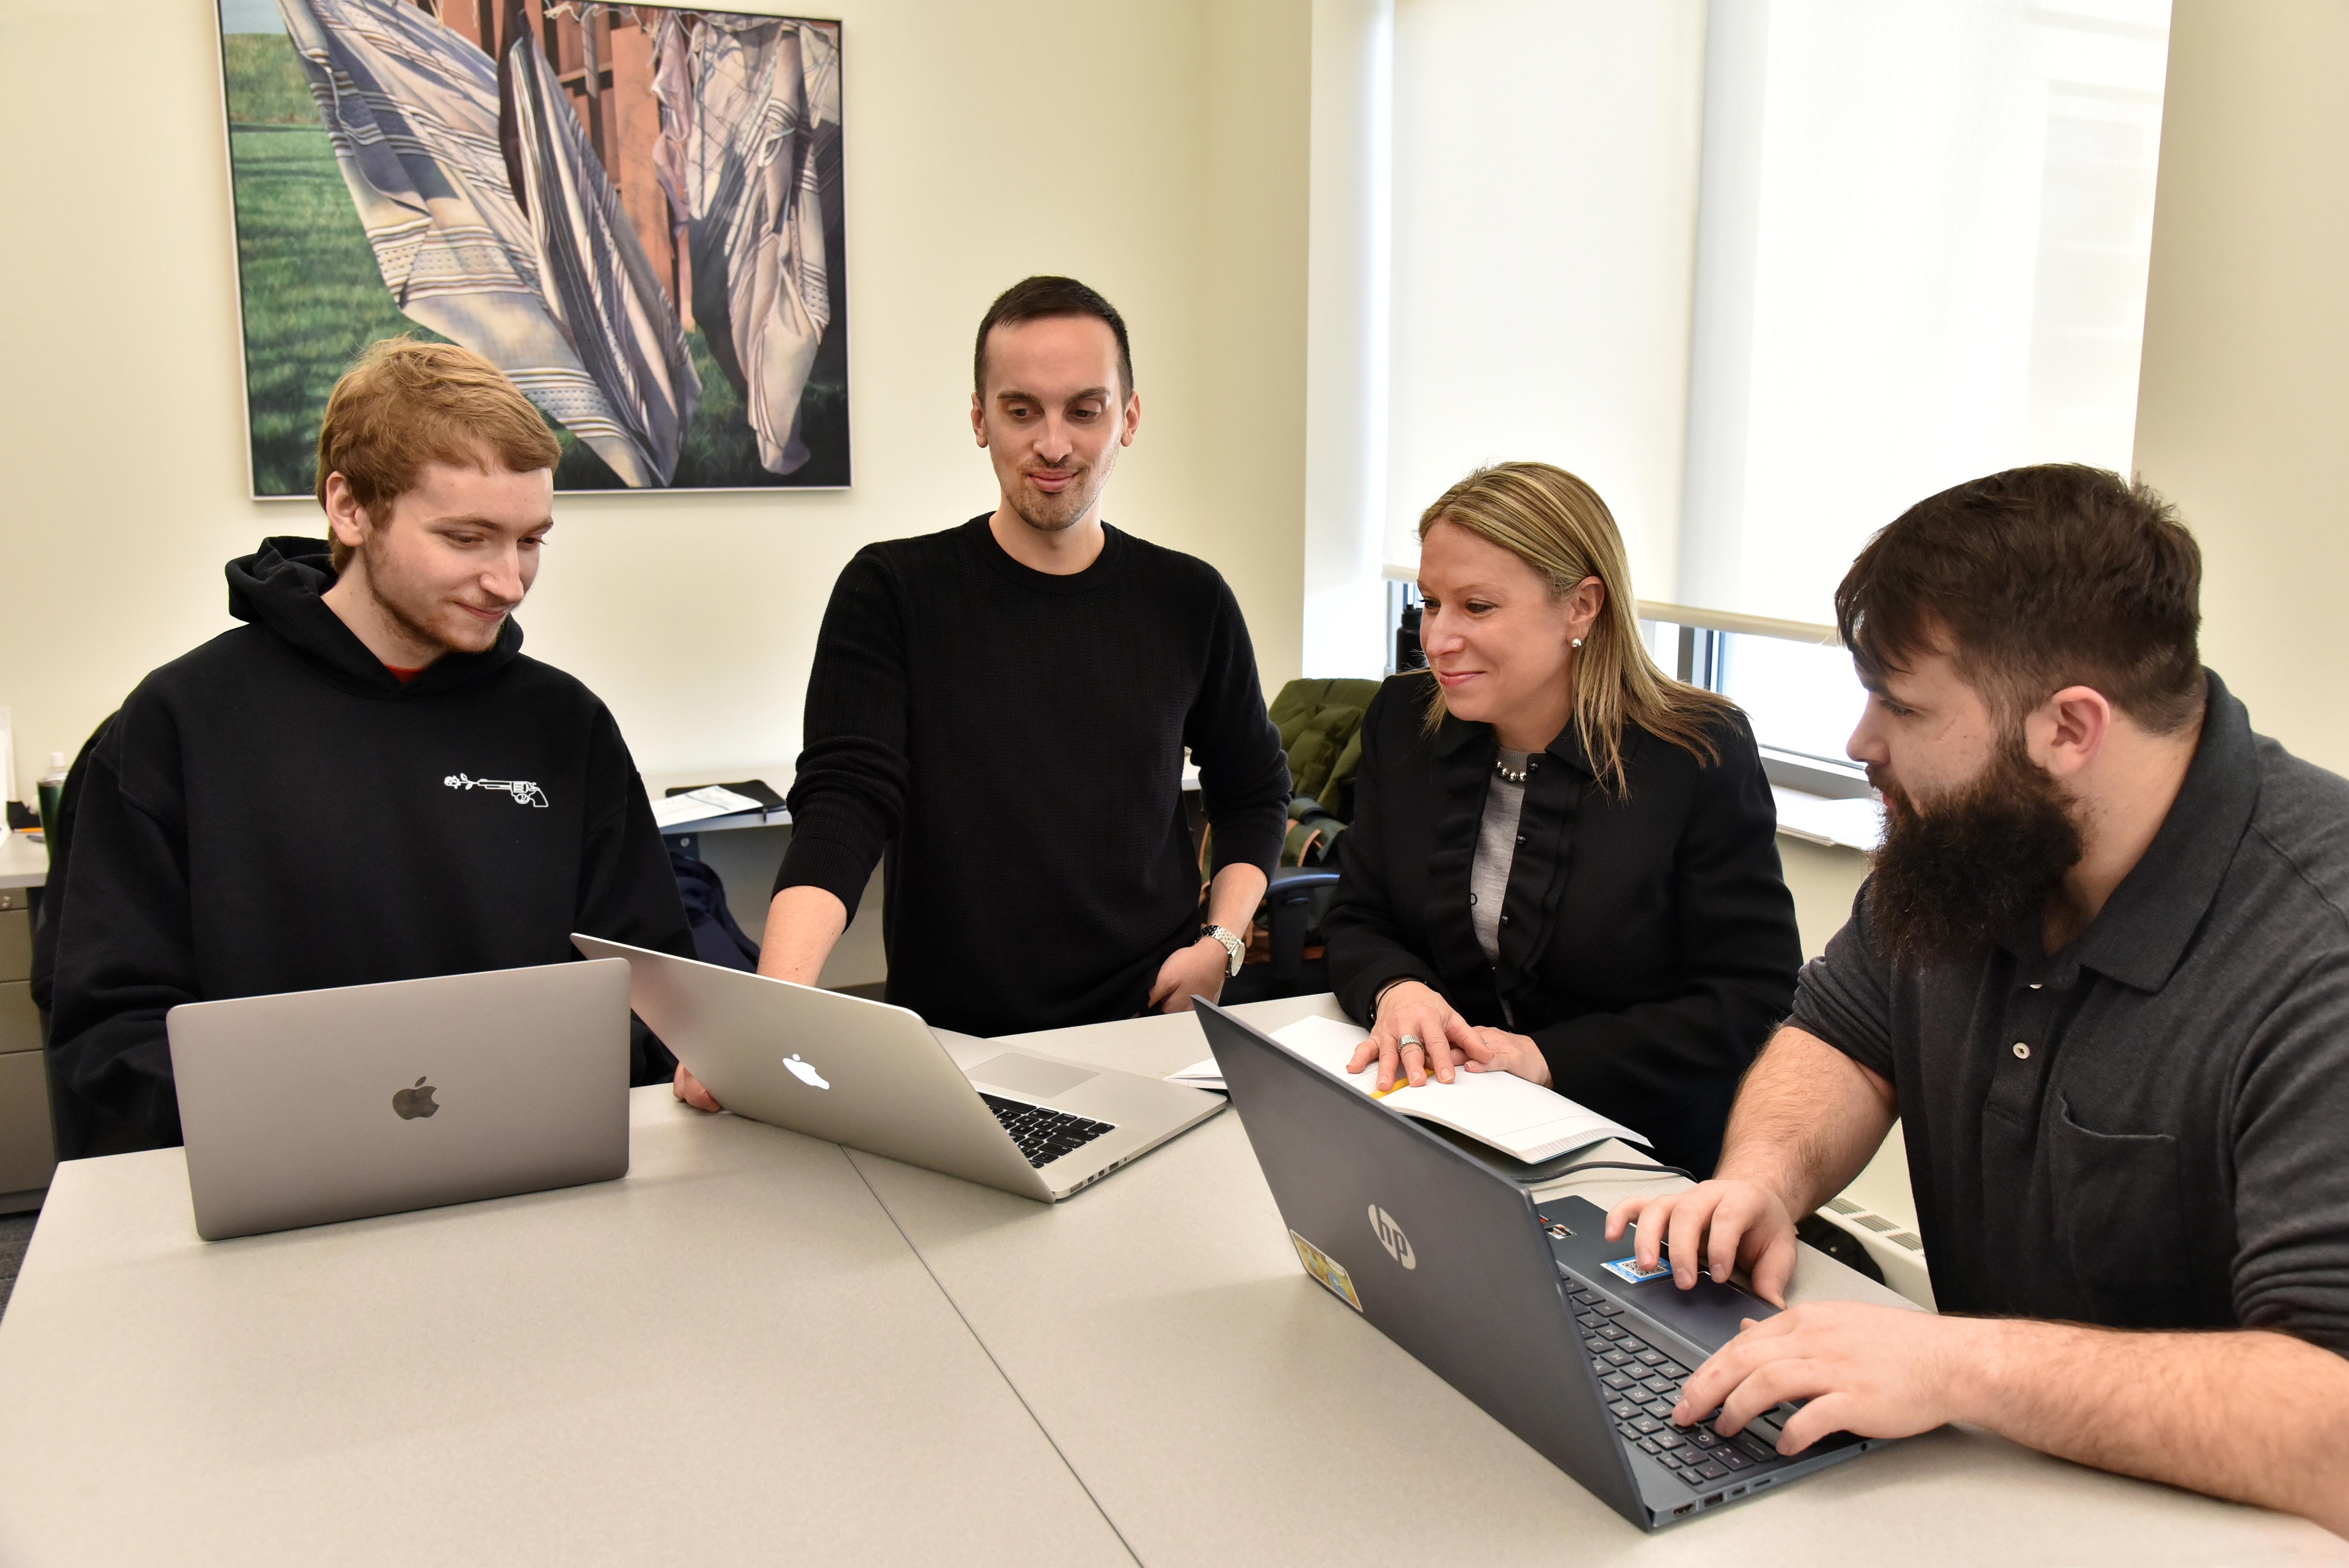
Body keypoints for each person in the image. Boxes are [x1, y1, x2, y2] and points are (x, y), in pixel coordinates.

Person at [1609, 465, 2349, 1536]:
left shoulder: (2317, 950)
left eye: (1902, 707)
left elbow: (2332, 1421)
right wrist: (1761, 1183)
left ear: (2069, 729)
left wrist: (1962, 1363)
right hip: (1984, 1497)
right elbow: (1844, 1034)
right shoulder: (1982, 852)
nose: (1864, 742)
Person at [49, 339, 693, 1153]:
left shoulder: (566, 723)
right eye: (467, 539)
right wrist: (289, 1132)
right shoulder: (177, 724)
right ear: (350, 509)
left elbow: (652, 983)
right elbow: (108, 1028)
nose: (509, 580)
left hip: (530, 1168)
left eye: (531, 540)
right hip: (278, 1187)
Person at [674, 275, 1289, 1112]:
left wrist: (1221, 940)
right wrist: (764, 1012)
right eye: (1020, 410)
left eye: (1085, 410)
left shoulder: (1189, 600)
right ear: (978, 419)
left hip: (1152, 1031)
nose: (1053, 444)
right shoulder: (892, 590)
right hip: (958, 1048)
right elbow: (845, 804)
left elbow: (1252, 785)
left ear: (1129, 419)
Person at [1323, 462, 1802, 1176]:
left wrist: (1547, 1059)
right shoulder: (1403, 718)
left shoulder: (1696, 752)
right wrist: (1399, 990)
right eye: (1430, 603)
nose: (1439, 639)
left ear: (1581, 607)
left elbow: (1752, 997)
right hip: (1446, 1125)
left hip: (1633, 1152)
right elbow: (1357, 915)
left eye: (1477, 607)